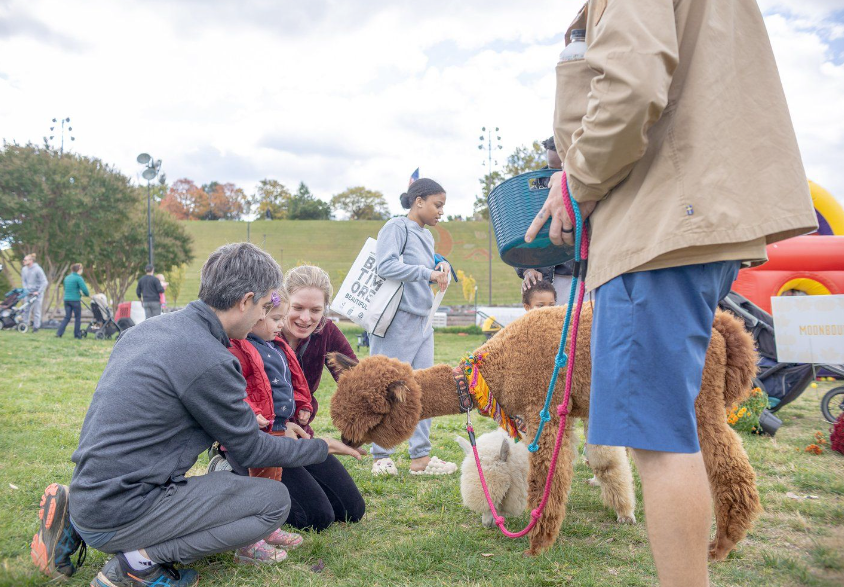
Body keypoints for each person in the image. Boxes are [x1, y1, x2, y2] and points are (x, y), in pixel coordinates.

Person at [525, 1, 818, 585]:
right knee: (666, 429)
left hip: (658, 225)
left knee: (657, 440)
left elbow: (631, 86)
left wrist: (578, 182)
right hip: (692, 213)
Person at [31, 243, 361, 586]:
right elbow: (253, 450)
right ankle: (138, 564)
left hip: (93, 490)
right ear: (245, 301)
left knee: (231, 485)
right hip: (123, 509)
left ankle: (74, 518)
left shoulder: (146, 331)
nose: (263, 318)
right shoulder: (211, 359)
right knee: (273, 500)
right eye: (264, 307)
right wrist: (323, 446)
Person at [368, 178, 458, 476]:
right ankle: (381, 455)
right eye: (438, 204)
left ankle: (420, 458)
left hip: (424, 319)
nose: (441, 212)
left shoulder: (427, 236)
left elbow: (426, 264)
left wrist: (440, 266)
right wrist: (427, 272)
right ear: (418, 201)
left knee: (422, 389)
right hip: (398, 320)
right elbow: (386, 266)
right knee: (390, 386)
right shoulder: (395, 227)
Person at [272, 264, 366, 530]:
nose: (306, 318)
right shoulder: (263, 333)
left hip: (302, 435)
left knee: (351, 510)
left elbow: (353, 378)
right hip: (268, 437)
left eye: (315, 310)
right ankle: (232, 471)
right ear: (284, 302)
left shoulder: (325, 332)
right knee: (316, 517)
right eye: (298, 308)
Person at [224, 292, 313, 562]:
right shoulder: (239, 347)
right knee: (260, 485)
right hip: (259, 431)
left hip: (277, 426)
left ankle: (268, 528)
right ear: (256, 316)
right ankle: (249, 542)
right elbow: (235, 388)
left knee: (274, 481)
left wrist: (303, 404)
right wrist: (251, 412)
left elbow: (292, 379)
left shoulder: (276, 346)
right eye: (275, 318)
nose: (280, 325)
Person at [518, 137, 575, 307]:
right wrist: (527, 268)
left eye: (562, 168)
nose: (555, 176)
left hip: (582, 277)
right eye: (551, 168)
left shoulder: (590, 185)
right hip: (549, 283)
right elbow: (522, 238)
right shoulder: (534, 189)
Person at [56, 263, 89, 339]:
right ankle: (76, 334)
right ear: (79, 269)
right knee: (78, 317)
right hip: (75, 300)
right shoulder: (78, 278)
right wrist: (86, 294)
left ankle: (59, 333)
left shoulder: (67, 278)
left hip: (66, 300)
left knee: (67, 317)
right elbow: (84, 289)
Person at [21, 253, 48, 332]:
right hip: (28, 293)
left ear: (31, 260)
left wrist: (38, 292)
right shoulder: (24, 270)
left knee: (36, 311)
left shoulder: (38, 269)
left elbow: (44, 282)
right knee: (26, 310)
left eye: (25, 260)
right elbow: (24, 281)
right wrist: (26, 290)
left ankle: (36, 327)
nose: (24, 261)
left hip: (37, 294)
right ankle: (24, 325)